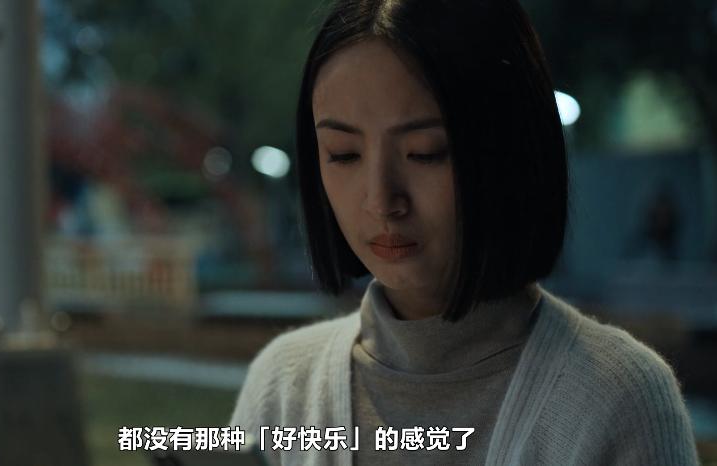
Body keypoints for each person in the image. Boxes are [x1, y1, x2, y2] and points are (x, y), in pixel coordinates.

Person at [229, 0, 699, 465]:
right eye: (343, 153)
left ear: (511, 152)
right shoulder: (283, 387)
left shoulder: (614, 400)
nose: (380, 200)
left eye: (425, 152)